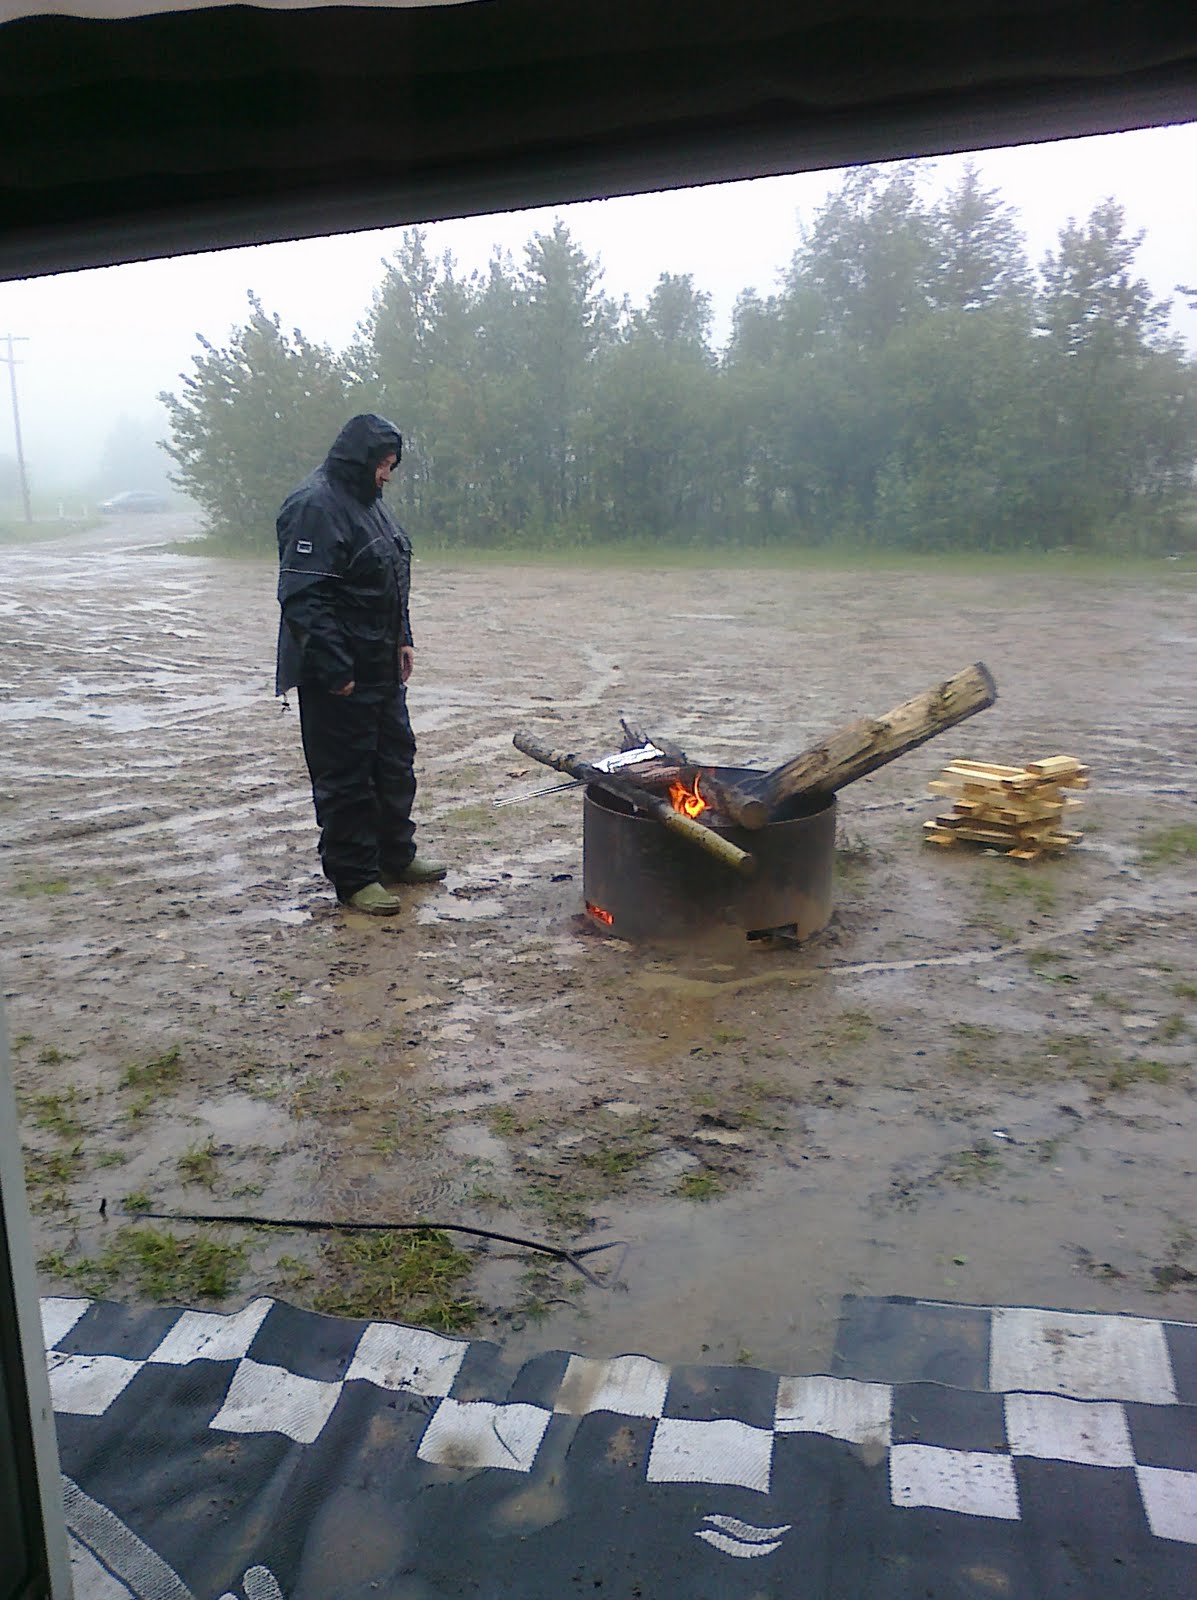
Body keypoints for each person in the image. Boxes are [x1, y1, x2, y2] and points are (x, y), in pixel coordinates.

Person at [275, 413, 446, 914]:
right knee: (346, 777)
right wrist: (336, 669)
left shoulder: (370, 505)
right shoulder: (315, 506)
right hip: (339, 673)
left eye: (392, 465)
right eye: (385, 465)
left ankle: (396, 856)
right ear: (362, 460)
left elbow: (392, 572)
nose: (388, 475)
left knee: (395, 764)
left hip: (381, 663)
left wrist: (403, 638)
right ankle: (355, 878)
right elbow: (304, 596)